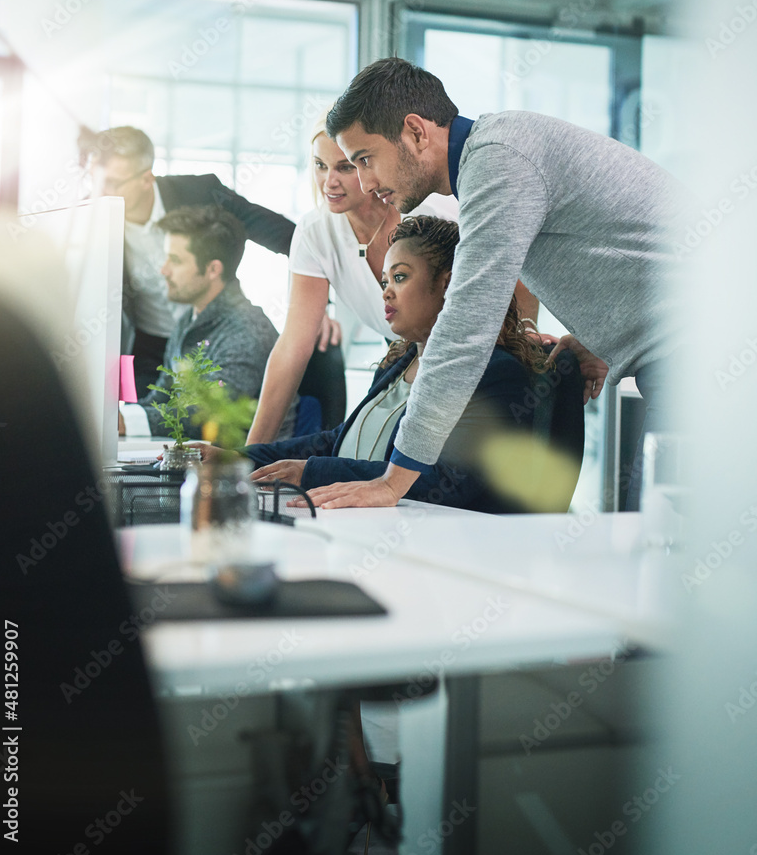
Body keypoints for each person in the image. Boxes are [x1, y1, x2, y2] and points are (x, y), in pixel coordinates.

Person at [307, 57, 683, 511]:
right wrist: (600, 338)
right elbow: (634, 247)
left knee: (674, 542)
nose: (365, 183)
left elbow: (466, 328)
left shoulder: (499, 161)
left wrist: (394, 480)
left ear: (416, 132)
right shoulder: (497, 157)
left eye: (365, 160)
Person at [244, 216, 582, 514]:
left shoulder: (495, 372)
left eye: (400, 278)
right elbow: (340, 441)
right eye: (384, 282)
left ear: (448, 285)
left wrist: (311, 472)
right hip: (352, 521)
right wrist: (239, 459)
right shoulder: (395, 364)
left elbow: (447, 484)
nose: (386, 293)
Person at [84, 125, 337, 397]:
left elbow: (292, 239)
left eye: (112, 182)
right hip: (148, 348)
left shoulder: (202, 193)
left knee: (211, 422)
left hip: (217, 338)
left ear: (146, 179)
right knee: (135, 422)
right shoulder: (89, 222)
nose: (99, 192)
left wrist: (313, 306)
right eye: (94, 180)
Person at [119, 206, 296, 440]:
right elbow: (163, 398)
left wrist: (128, 421)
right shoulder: (189, 320)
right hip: (198, 455)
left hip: (238, 467)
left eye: (176, 260)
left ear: (213, 269)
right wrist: (122, 416)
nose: (164, 270)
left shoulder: (246, 332)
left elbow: (208, 416)